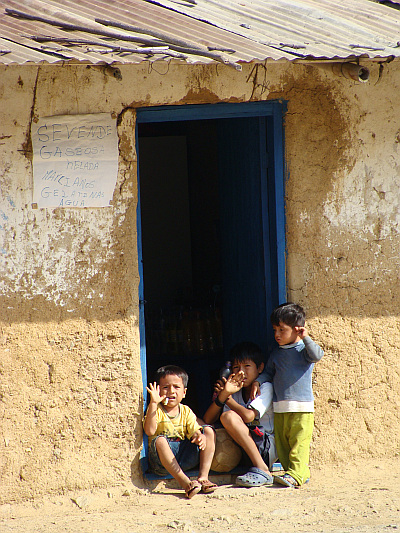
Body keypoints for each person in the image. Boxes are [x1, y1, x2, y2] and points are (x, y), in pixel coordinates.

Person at [256, 302, 324, 488]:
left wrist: (306, 338)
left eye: (282, 330)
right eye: (275, 329)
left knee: (298, 444)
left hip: (302, 408)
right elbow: (268, 373)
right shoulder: (276, 354)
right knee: (283, 444)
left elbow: (318, 355)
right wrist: (257, 381)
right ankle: (296, 472)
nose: (277, 334)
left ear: (297, 330)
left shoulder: (304, 350)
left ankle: (295, 474)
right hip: (280, 407)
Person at [203, 342, 276, 487]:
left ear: (260, 367)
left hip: (265, 448)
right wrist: (221, 396)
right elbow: (208, 419)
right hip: (242, 449)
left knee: (228, 416)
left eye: (247, 366)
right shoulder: (234, 391)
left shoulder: (265, 387)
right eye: (236, 368)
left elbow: (249, 416)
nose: (241, 372)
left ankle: (262, 468)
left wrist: (227, 397)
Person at [143, 365, 217, 498]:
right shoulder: (156, 410)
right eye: (165, 387)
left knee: (209, 431)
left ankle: (203, 478)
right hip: (161, 464)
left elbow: (194, 430)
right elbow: (149, 431)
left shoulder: (186, 411)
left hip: (185, 459)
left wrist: (199, 436)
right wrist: (153, 403)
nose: (171, 391)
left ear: (184, 392)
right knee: (160, 440)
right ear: (158, 391)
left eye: (176, 387)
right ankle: (186, 483)